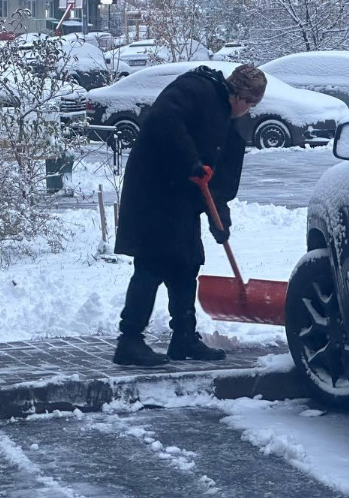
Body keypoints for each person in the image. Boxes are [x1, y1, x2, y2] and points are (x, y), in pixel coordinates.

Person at [112, 63, 268, 367]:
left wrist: (219, 220)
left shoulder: (229, 126)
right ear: (237, 94)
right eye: (249, 103)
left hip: (181, 197)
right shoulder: (195, 88)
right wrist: (190, 160)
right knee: (152, 263)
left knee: (186, 262)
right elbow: (162, 119)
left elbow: (217, 180)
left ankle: (183, 338)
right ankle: (129, 341)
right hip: (154, 189)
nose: (248, 110)